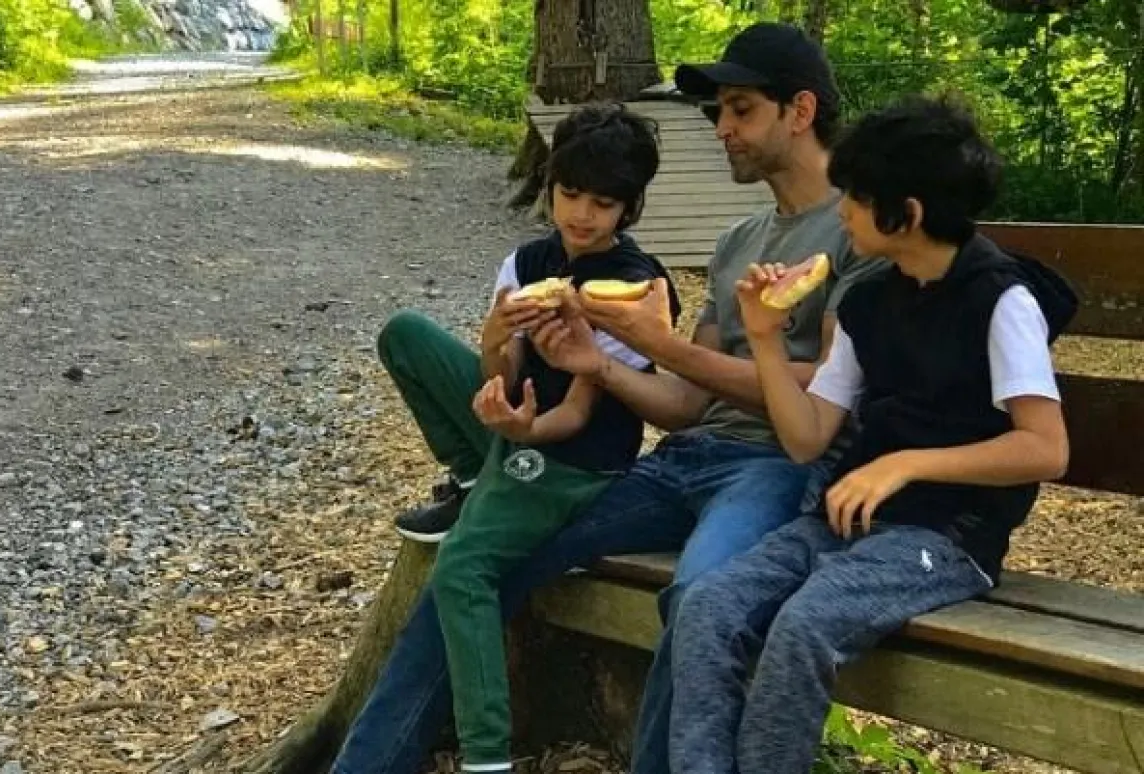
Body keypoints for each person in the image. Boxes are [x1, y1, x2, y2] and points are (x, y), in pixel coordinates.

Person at [330, 22, 881, 774]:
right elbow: (685, 404)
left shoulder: (856, 234)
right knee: (476, 557)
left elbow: (824, 391)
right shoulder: (736, 243)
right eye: (719, 111)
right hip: (681, 459)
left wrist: (659, 345)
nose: (721, 128)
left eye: (740, 110)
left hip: (777, 467)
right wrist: (602, 365)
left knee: (700, 595)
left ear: (801, 110)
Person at [668, 95, 1076, 774]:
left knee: (803, 627)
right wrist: (765, 339)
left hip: (945, 536)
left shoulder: (1002, 301)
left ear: (905, 213)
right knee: (710, 606)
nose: (842, 212)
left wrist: (906, 464)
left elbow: (1045, 447)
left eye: (855, 199)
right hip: (843, 523)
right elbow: (808, 438)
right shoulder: (869, 302)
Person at [401, 102, 682, 774]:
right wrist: (495, 342)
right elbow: (500, 378)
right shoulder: (527, 263)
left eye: (603, 203)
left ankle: (486, 755)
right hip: (522, 424)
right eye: (570, 194)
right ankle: (474, 476)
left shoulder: (636, 289)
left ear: (629, 207)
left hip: (575, 457)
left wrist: (525, 430)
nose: (582, 214)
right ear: (551, 187)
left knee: (462, 568)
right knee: (405, 334)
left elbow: (578, 415)